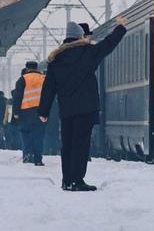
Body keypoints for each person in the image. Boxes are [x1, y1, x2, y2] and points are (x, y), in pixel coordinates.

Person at [38, 18, 126, 192]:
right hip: (85, 108)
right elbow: (108, 44)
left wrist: (44, 110)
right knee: (81, 144)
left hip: (67, 110)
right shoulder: (87, 52)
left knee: (68, 144)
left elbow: (49, 87)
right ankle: (77, 180)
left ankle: (67, 180)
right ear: (79, 37)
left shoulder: (56, 59)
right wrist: (120, 27)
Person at [12, 61, 46, 165]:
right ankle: (38, 159)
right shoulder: (44, 78)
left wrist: (15, 112)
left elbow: (17, 97)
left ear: (27, 68)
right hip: (40, 111)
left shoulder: (22, 79)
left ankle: (27, 154)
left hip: (25, 112)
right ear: (37, 68)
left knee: (25, 133)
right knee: (38, 135)